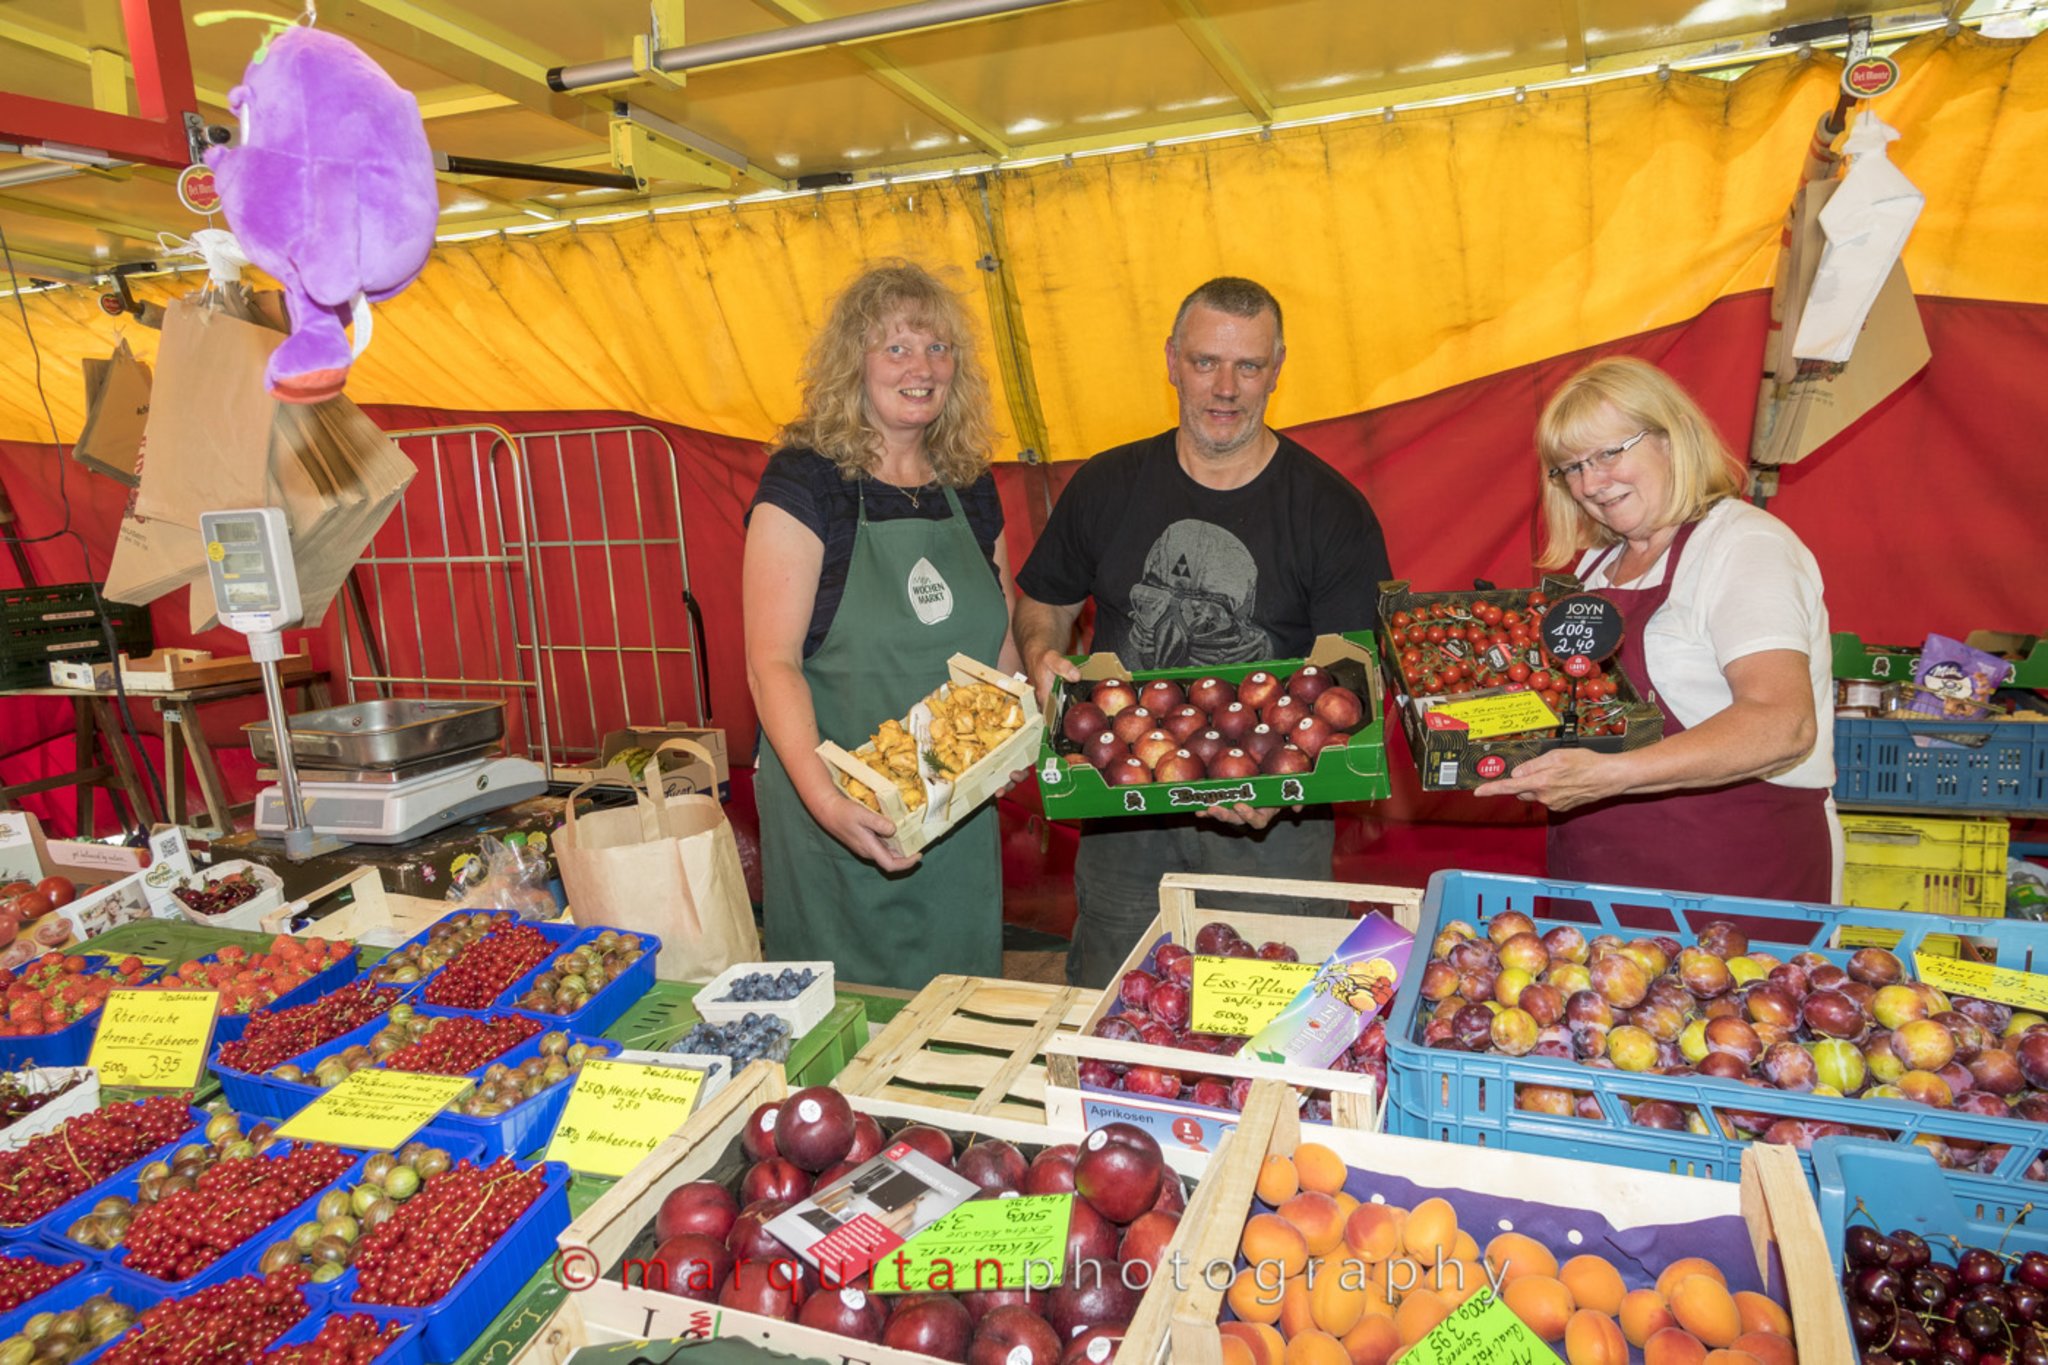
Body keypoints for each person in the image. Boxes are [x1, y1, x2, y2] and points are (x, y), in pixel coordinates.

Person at [1013, 277, 1393, 988]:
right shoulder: (1107, 485)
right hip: (1124, 819)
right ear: (1170, 360)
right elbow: (1045, 600)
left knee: (1269, 1023)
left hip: (1273, 826)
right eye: (1204, 362)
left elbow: (1354, 683)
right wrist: (1041, 654)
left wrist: (1288, 786)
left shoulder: (1330, 511)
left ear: (1277, 368)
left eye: (1248, 366)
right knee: (1118, 1010)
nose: (1225, 387)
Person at [743, 262, 1021, 991]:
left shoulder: (972, 485)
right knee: (850, 1038)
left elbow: (1000, 640)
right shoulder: (804, 484)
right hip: (836, 813)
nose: (921, 367)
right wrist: (830, 803)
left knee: (959, 1018)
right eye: (895, 348)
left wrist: (1020, 731)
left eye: (937, 348)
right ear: (853, 363)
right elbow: (771, 662)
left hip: (956, 816)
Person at [1474, 356, 1841, 901]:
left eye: (1608, 453)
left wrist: (1613, 776)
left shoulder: (1744, 547)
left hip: (1736, 875)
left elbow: (1781, 724)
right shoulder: (1594, 568)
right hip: (1599, 872)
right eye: (1571, 468)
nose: (1591, 483)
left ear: (1671, 438)